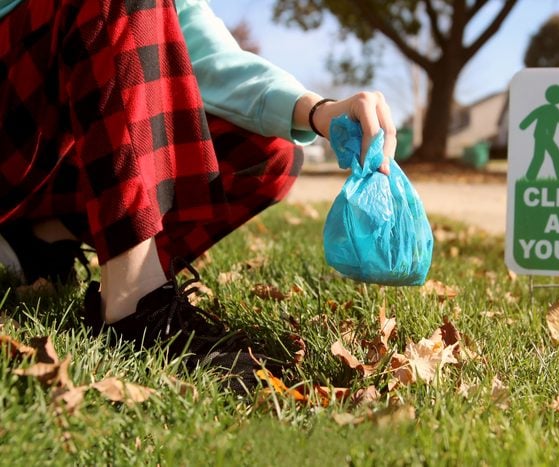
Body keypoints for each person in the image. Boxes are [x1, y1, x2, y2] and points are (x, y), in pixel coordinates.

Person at [0, 0, 396, 388]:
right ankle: (133, 303)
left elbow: (207, 53)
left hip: (48, 155)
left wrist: (317, 110)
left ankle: (43, 242)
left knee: (271, 155)